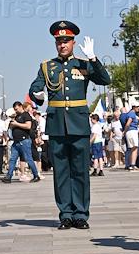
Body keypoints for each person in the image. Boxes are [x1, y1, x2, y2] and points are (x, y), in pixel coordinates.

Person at [28, 21, 111, 229]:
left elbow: (105, 79)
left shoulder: (83, 64)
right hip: (57, 125)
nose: (62, 45)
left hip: (79, 124)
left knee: (80, 170)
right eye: (59, 41)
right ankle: (65, 213)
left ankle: (81, 214)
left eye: (66, 41)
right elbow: (36, 87)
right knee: (61, 172)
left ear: (73, 42)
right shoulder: (47, 66)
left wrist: (93, 59)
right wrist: (37, 94)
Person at [2, 101, 41, 183]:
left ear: (20, 106)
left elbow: (28, 126)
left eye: (16, 109)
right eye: (14, 109)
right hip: (16, 141)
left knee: (28, 158)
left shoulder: (26, 115)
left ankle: (36, 175)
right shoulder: (17, 116)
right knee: (12, 159)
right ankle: (8, 176)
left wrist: (16, 124)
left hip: (24, 140)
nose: (16, 111)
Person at [120, 103, 139, 170]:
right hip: (132, 131)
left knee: (132, 149)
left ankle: (131, 164)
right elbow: (128, 123)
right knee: (135, 148)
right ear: (134, 107)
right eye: (137, 107)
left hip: (130, 131)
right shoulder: (132, 114)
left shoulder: (130, 113)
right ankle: (133, 164)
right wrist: (124, 131)